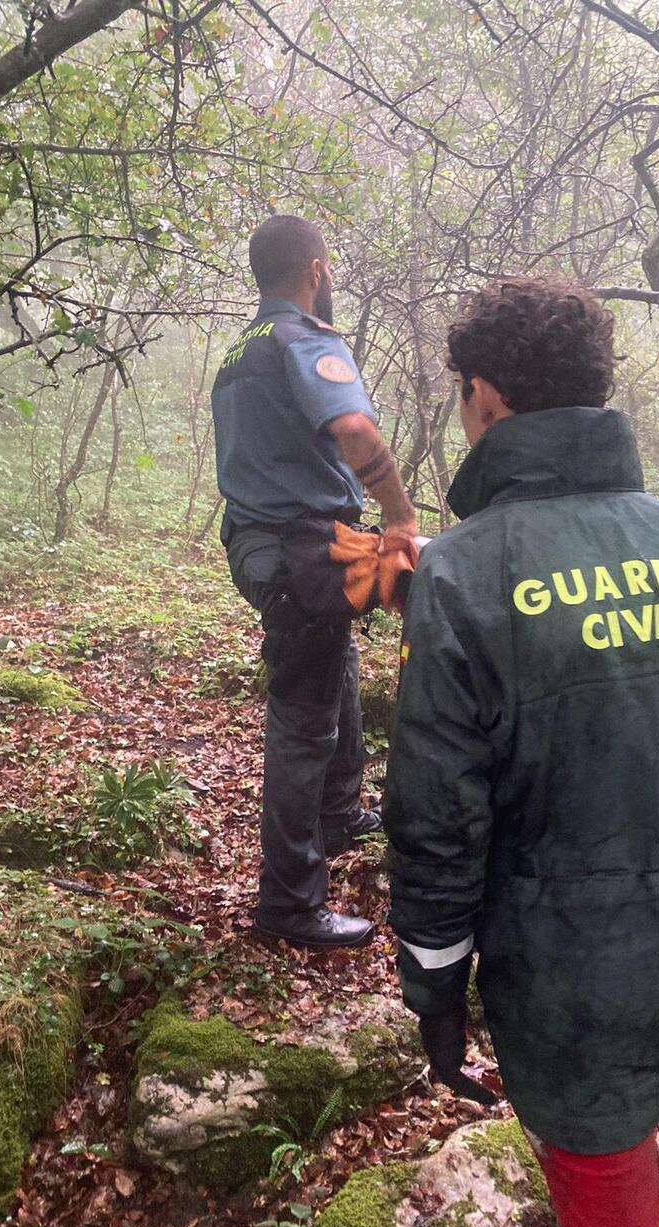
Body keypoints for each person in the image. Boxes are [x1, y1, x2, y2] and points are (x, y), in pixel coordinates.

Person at [385, 277, 659, 1227]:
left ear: (486, 398)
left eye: (463, 395)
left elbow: (434, 822)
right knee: (615, 1150)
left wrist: (433, 986)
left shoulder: (462, 576)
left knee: (609, 1223)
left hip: (574, 964)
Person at [212, 215, 417, 952]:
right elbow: (356, 433)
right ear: (317, 269)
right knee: (303, 720)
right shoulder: (304, 339)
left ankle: (339, 810)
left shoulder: (239, 352)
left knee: (341, 666)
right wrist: (399, 517)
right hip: (298, 549)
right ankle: (290, 902)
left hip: (265, 543)